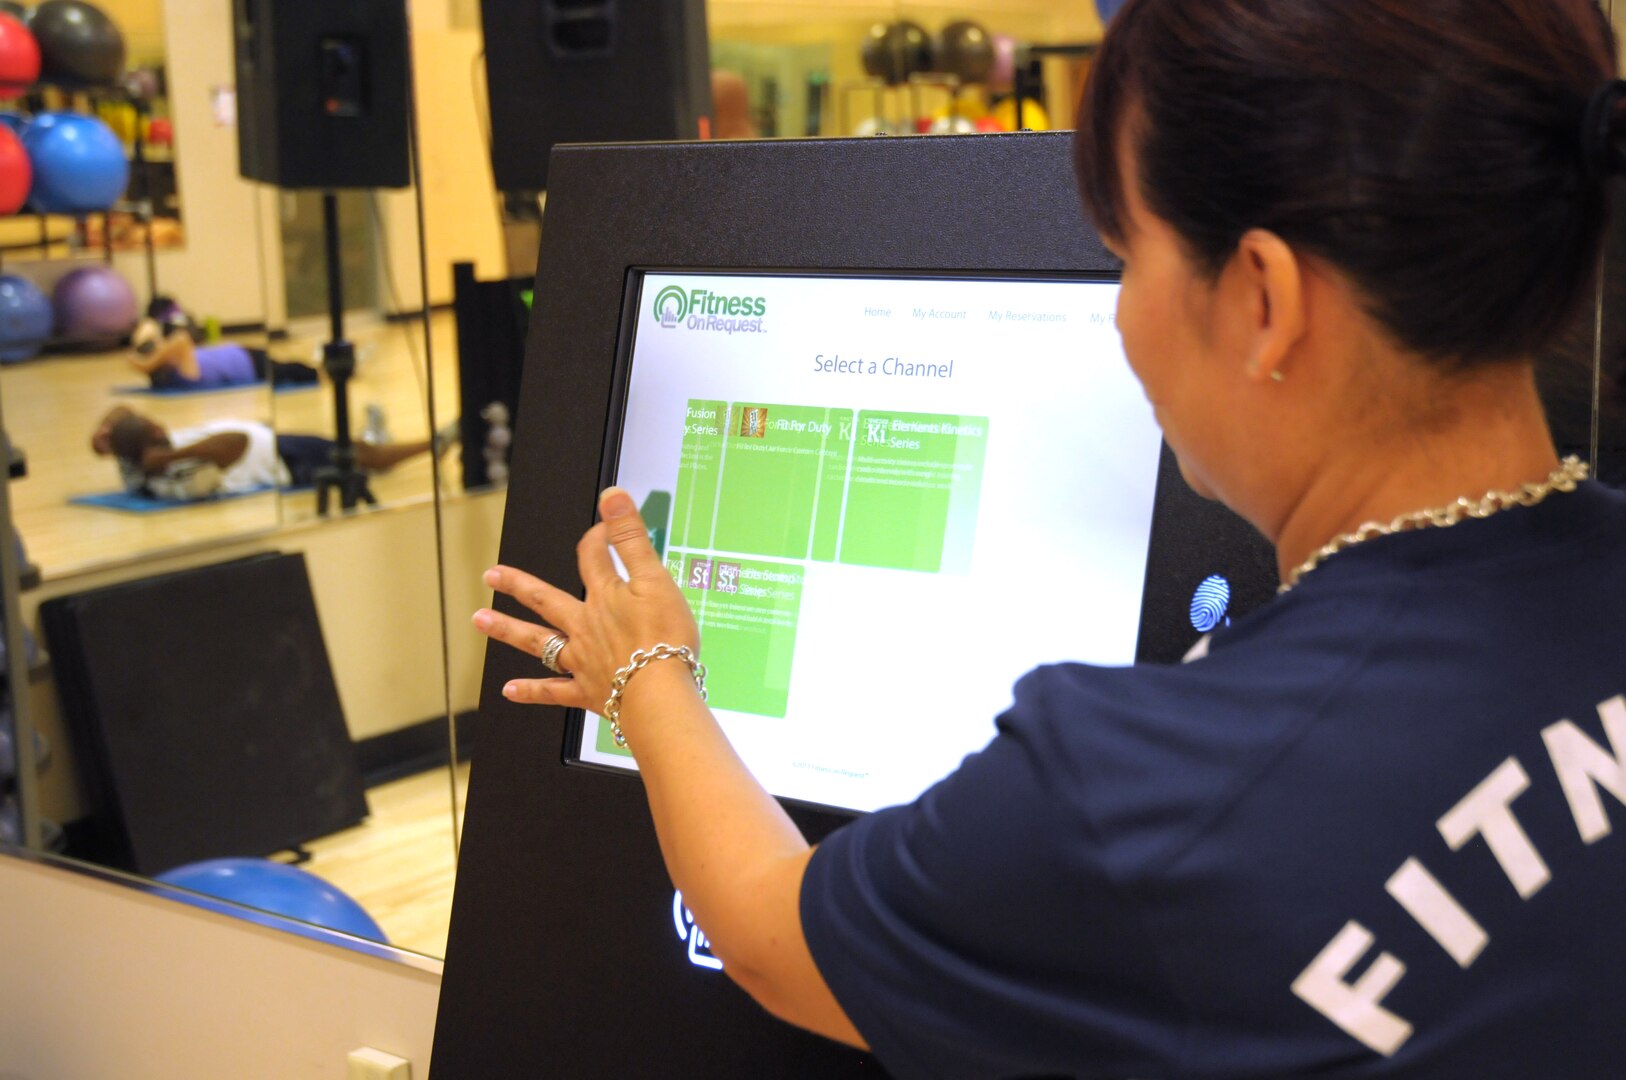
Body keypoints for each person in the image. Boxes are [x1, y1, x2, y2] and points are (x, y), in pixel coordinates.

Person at [473, 1, 1626, 1076]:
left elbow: (777, 940)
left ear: (1264, 300)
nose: (1122, 315)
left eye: (1131, 257)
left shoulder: (1149, 788)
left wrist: (648, 666)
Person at [91, 405, 445, 500]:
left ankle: (378, 433)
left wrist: (102, 435)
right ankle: (435, 443)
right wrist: (169, 458)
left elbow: (121, 413)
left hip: (275, 443)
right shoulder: (178, 468)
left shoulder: (136, 461)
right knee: (364, 456)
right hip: (285, 458)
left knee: (361, 451)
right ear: (153, 434)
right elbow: (234, 444)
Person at [126, 317, 321, 391]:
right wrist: (148, 364)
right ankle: (323, 372)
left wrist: (146, 359)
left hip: (243, 354)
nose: (164, 348)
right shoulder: (183, 376)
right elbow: (181, 338)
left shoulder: (177, 364)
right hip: (250, 366)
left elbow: (148, 327)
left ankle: (321, 368)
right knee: (293, 371)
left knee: (290, 366)